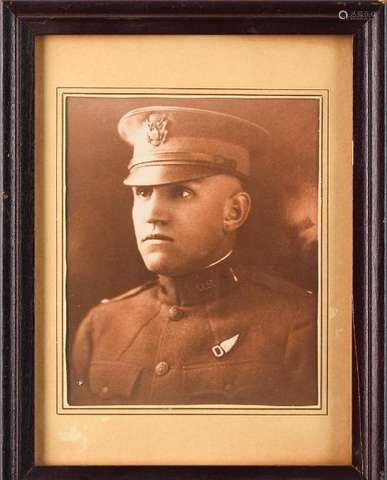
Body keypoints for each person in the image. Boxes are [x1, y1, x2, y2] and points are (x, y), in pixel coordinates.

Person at [68, 106, 317, 406]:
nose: (153, 215)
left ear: (234, 212)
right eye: (143, 193)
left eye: (181, 193)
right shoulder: (100, 327)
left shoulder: (297, 325)